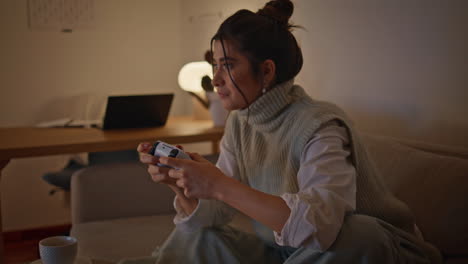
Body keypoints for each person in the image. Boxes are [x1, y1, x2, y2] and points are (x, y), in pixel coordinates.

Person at [133, 0, 442, 263]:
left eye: (227, 65)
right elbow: (216, 214)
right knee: (202, 240)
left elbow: (320, 229)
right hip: (289, 252)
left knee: (360, 233)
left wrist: (218, 185)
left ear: (266, 70)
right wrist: (184, 185)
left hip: (369, 250)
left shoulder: (321, 125)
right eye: (214, 65)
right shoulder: (241, 122)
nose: (215, 80)